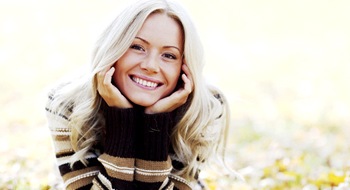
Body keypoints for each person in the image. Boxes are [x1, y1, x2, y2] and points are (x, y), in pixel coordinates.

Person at [45, 0, 232, 189]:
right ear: (113, 48)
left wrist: (154, 123)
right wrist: (122, 119)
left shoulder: (205, 108)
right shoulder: (66, 102)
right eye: (137, 47)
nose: (150, 66)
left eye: (169, 55)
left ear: (185, 67)